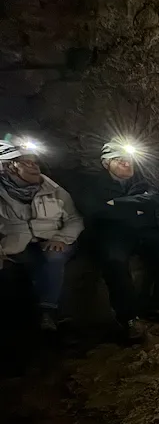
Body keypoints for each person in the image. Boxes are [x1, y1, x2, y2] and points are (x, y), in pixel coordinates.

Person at [74, 139, 159, 340]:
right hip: (114, 234)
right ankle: (129, 317)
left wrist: (116, 204)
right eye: (119, 160)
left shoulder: (140, 180)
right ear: (107, 164)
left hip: (144, 232)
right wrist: (134, 208)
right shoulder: (94, 184)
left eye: (129, 159)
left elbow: (154, 200)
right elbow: (94, 210)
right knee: (115, 261)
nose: (126, 163)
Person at [0, 135, 84, 331]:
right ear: (9, 167)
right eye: (26, 163)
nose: (34, 167)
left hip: (54, 239)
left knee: (52, 257)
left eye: (35, 162)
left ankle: (48, 313)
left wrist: (61, 238)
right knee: (16, 271)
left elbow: (74, 219)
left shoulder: (54, 190)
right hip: (17, 244)